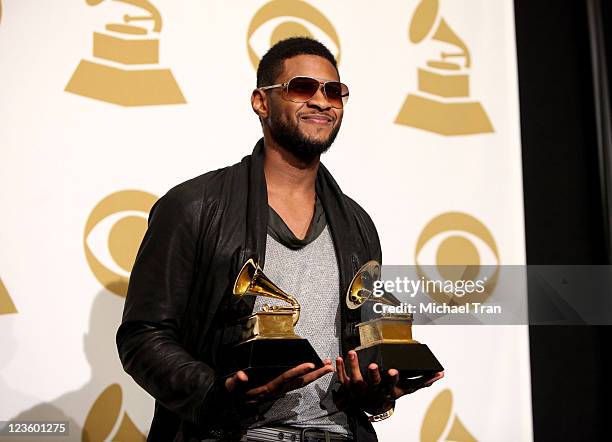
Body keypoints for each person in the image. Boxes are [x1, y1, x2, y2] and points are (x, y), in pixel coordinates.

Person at [116, 37, 443, 442]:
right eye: (302, 88)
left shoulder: (357, 224)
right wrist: (218, 394)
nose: (322, 101)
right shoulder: (194, 206)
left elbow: (360, 349)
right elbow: (143, 335)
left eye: (334, 91)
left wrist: (376, 394)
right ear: (261, 102)